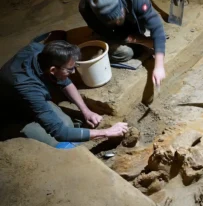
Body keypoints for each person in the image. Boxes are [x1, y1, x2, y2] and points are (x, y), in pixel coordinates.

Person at [0, 40, 129, 147]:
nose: (73, 72)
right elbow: (60, 133)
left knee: (67, 123)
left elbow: (64, 81)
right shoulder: (28, 88)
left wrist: (86, 111)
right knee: (61, 145)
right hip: (12, 118)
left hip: (25, 99)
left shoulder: (41, 52)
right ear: (52, 70)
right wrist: (107, 132)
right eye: (70, 69)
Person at [79, 0, 166, 86]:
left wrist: (159, 66)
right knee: (125, 53)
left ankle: (131, 32)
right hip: (110, 31)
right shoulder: (86, 10)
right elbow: (110, 34)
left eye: (119, 17)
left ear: (122, 7)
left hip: (128, 14)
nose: (117, 22)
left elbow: (156, 26)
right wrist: (139, 40)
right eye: (112, 21)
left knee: (152, 34)